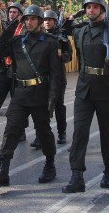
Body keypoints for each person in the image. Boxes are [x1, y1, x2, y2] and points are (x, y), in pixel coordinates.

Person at [0, 5, 66, 186]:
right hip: (20, 94)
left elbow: (56, 74)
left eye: (33, 19)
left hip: (40, 94)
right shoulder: (17, 41)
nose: (29, 22)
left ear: (39, 21)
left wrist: (53, 98)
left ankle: (50, 165)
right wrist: (11, 26)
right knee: (10, 131)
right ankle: (3, 171)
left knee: (44, 132)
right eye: (26, 19)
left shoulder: (51, 42)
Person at [62, 0, 109, 193]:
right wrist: (74, 15)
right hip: (84, 88)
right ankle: (77, 176)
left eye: (94, 7)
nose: (91, 10)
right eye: (88, 7)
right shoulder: (82, 31)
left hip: (107, 87)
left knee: (107, 133)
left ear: (102, 9)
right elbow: (62, 30)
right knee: (79, 133)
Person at [0, 2, 27, 141]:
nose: (12, 14)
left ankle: (20, 131)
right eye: (10, 12)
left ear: (20, 15)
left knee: (18, 102)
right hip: (2, 69)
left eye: (15, 12)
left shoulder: (24, 29)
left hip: (16, 70)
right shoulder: (1, 25)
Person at [29, 9, 70, 146]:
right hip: (42, 75)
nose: (47, 22)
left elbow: (68, 56)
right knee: (40, 107)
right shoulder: (37, 36)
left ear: (54, 21)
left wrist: (60, 56)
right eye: (45, 20)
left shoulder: (61, 37)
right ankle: (40, 135)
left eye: (50, 20)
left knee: (58, 105)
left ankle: (62, 132)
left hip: (57, 76)